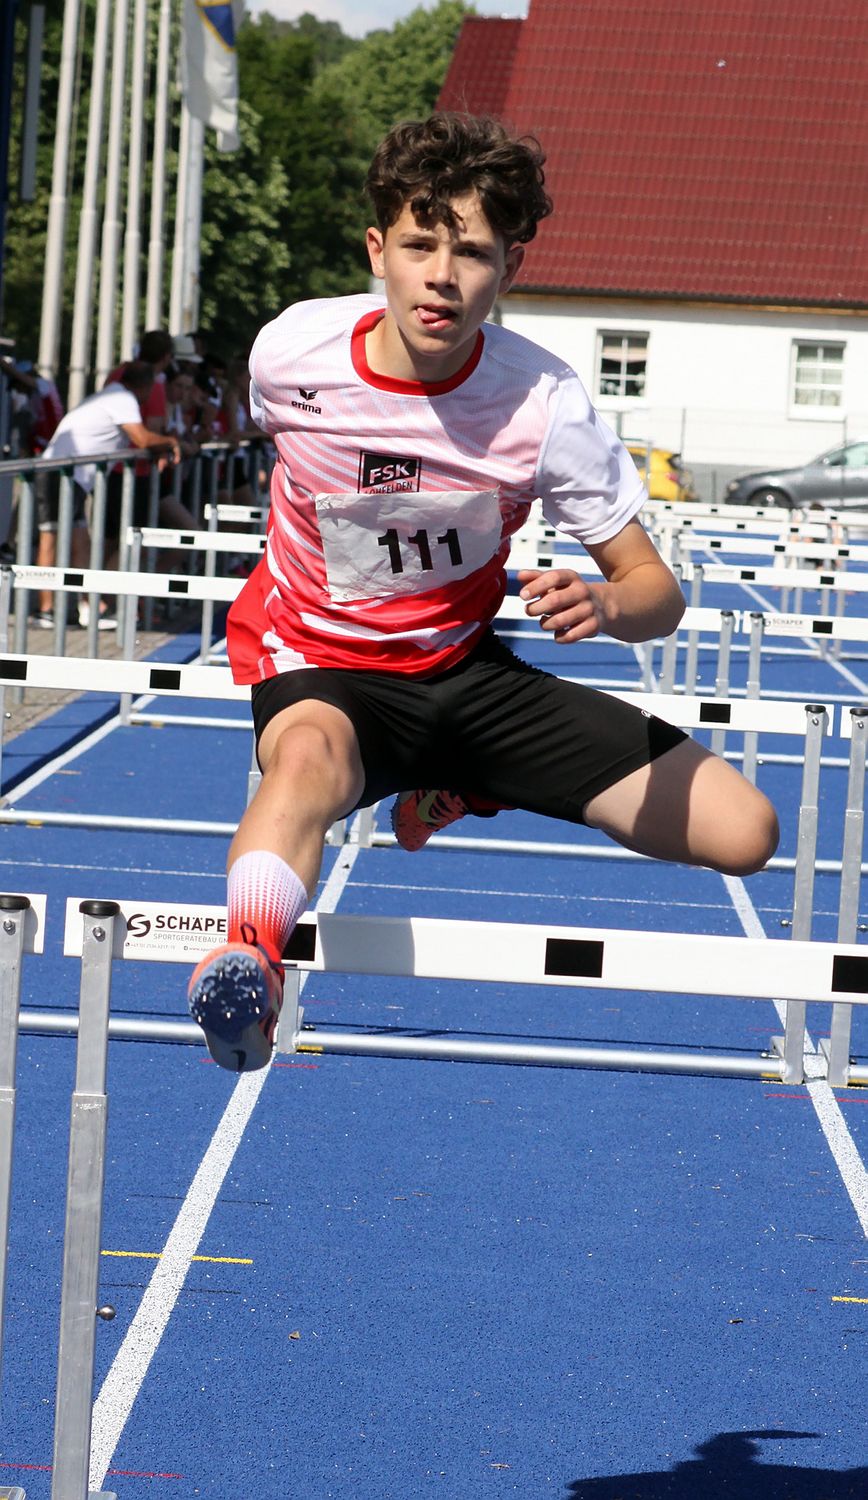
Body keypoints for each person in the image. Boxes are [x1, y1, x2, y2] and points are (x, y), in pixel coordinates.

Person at [187, 112, 779, 1072]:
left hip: (466, 677)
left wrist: (608, 604)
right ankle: (249, 965)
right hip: (325, 667)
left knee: (747, 832)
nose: (442, 276)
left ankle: (460, 781)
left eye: (471, 253)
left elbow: (656, 591)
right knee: (301, 762)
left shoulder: (543, 403)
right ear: (376, 250)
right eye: (419, 246)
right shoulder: (290, 356)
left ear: (509, 269)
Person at [38, 361, 180, 625]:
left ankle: (86, 607)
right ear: (146, 387)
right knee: (51, 539)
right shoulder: (122, 398)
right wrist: (170, 442)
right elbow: (143, 438)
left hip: (71, 477)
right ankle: (46, 610)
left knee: (82, 544)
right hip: (58, 473)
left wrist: (161, 445)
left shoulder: (113, 394)